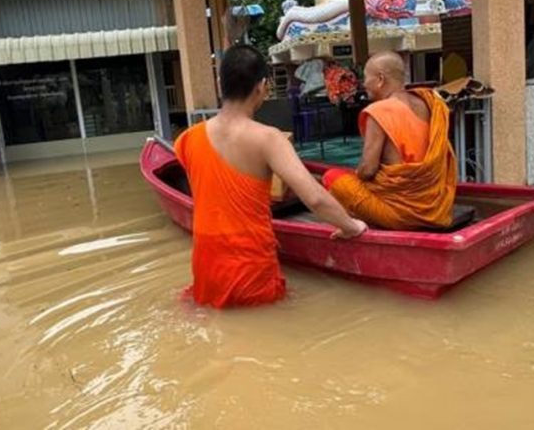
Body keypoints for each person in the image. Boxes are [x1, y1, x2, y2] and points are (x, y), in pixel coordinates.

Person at [175, 44, 367, 308]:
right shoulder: (269, 139)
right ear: (262, 86)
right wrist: (351, 226)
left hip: (207, 266)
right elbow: (315, 198)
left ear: (221, 84)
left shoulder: (187, 139)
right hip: (250, 268)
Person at [322, 51, 457, 230]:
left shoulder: (380, 111)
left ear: (380, 79)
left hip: (402, 214)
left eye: (365, 78)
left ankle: (357, 225)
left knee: (332, 177)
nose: (363, 84)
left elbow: (368, 170)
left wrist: (360, 174)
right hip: (436, 209)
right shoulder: (429, 103)